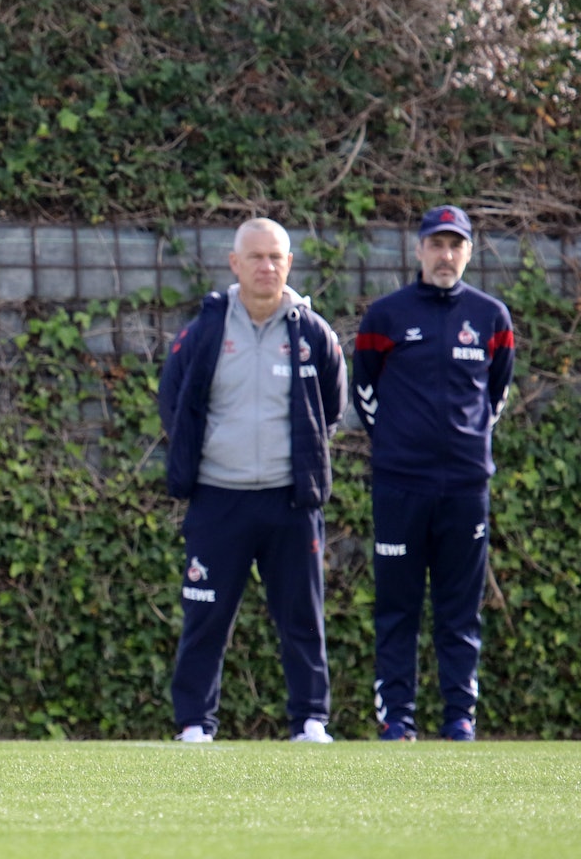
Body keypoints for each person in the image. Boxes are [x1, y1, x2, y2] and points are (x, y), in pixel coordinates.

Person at [157, 218, 347, 743]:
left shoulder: (313, 332)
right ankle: (195, 724)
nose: (267, 266)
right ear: (234, 263)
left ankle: (310, 721)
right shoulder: (206, 331)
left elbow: (330, 410)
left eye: (276, 257)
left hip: (292, 500)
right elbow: (174, 401)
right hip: (219, 498)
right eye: (256, 257)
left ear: (289, 263)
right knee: (205, 616)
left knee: (302, 617)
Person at [352, 205, 515, 742]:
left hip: (466, 488)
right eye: (437, 244)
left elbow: (495, 396)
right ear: (419, 249)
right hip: (400, 486)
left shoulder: (492, 318)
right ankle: (396, 718)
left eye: (456, 245)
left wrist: (464, 448)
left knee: (459, 611)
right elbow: (366, 392)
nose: (446, 255)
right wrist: (401, 446)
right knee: (397, 608)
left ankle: (458, 717)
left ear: (469, 251)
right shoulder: (385, 316)